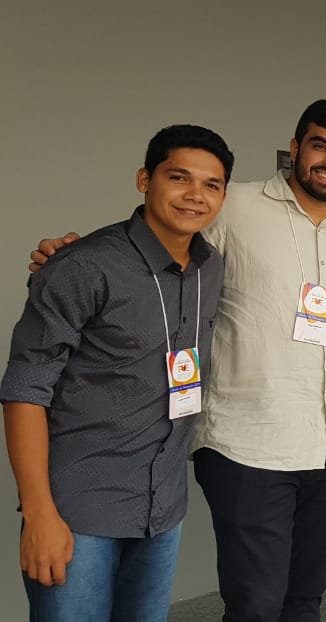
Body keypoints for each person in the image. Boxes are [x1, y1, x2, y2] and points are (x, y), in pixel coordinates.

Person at [31, 100, 326, 622]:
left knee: (305, 600)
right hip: (249, 445)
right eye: (321, 145)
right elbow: (158, 246)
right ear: (296, 147)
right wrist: (72, 256)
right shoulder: (235, 204)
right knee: (255, 605)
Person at [3, 125, 233, 621]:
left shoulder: (210, 267)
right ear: (144, 180)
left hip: (162, 508)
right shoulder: (84, 266)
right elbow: (25, 389)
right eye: (179, 177)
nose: (195, 195)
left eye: (211, 184)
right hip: (78, 510)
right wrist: (39, 515)